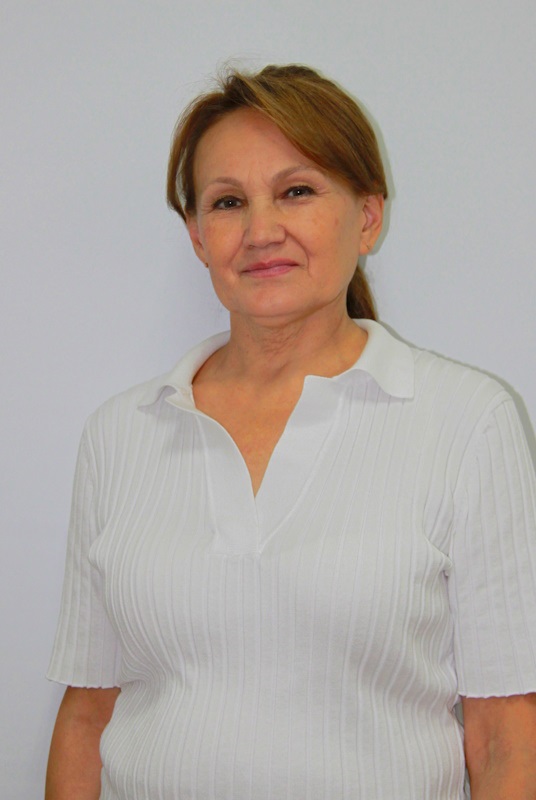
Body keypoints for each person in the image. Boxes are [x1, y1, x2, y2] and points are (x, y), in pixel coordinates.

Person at [45, 64, 536, 800]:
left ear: (367, 216)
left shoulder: (469, 422)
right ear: (197, 235)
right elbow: (88, 713)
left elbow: (504, 735)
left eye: (297, 191)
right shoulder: (119, 435)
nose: (261, 231)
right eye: (228, 202)